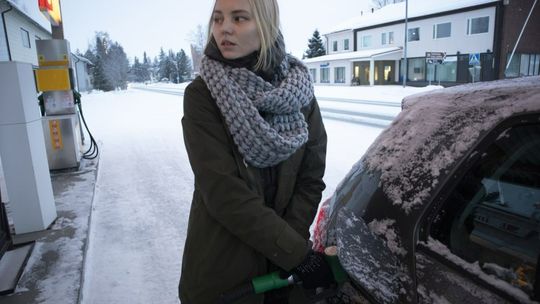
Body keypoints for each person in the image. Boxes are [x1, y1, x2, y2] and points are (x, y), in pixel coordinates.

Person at [179, 0, 332, 302]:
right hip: (225, 277)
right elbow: (224, 192)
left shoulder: (298, 92)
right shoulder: (202, 96)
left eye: (239, 18)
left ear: (266, 26)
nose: (224, 28)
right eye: (218, 19)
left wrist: (288, 249)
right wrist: (295, 253)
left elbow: (311, 176)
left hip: (284, 275)